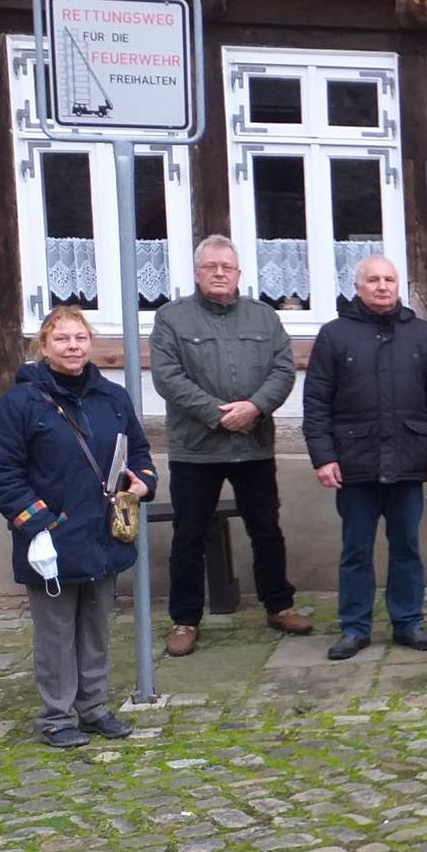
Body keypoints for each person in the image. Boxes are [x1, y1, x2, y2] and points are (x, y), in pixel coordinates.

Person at [0, 308, 157, 748]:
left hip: (101, 532)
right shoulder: (19, 404)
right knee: (57, 632)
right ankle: (57, 716)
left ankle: (94, 706)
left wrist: (143, 480)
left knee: (96, 625)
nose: (73, 346)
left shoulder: (113, 398)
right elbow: (3, 474)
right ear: (43, 347)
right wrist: (37, 526)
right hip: (52, 536)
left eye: (80, 337)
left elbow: (138, 450)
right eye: (62, 339)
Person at [150, 235, 312, 655]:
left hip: (253, 445)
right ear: (197, 272)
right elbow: (167, 377)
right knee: (189, 536)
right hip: (196, 448)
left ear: (239, 273)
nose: (219, 273)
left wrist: (255, 407)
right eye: (211, 267)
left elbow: (283, 368)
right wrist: (219, 414)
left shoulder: (263, 318)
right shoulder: (172, 318)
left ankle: (279, 605)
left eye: (227, 267)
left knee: (266, 529)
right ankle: (185, 619)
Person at [303, 255, 427, 661]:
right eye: (373, 280)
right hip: (354, 463)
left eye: (389, 279)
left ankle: (408, 622)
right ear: (358, 287)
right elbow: (316, 403)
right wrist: (323, 457)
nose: (383, 286)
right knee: (356, 549)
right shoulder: (335, 335)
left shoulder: (422, 336)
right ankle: (355, 628)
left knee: (406, 545)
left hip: (408, 459)